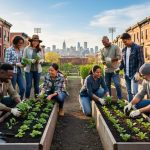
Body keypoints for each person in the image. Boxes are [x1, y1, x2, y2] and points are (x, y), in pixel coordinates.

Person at [118, 33, 144, 102]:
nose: (124, 43)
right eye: (123, 42)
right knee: (129, 92)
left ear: (129, 39)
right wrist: (119, 68)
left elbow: (141, 61)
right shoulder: (124, 50)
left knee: (134, 92)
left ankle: (136, 107)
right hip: (126, 74)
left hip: (134, 74)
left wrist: (138, 72)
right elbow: (123, 62)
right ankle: (130, 106)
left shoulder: (138, 48)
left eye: (125, 42)